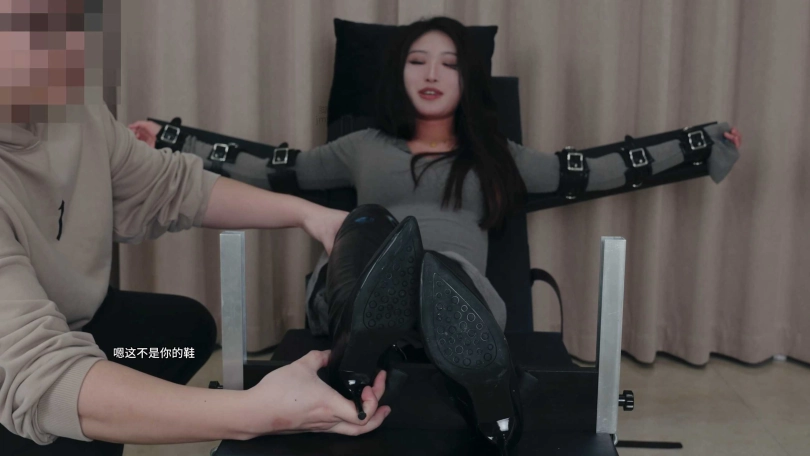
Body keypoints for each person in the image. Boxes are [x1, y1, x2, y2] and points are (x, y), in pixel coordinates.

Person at [130, 16, 742, 454]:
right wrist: (172, 140)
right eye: (417, 60)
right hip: (357, 269)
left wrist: (698, 144)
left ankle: (395, 353)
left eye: (449, 63)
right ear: (398, 74)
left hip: (455, 288)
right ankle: (386, 332)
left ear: (467, 79)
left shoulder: (496, 154)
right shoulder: (363, 146)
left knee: (436, 268)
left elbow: (590, 169)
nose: (431, 73)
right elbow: (271, 168)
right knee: (369, 226)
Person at [0, 3, 390, 456]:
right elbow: (40, 378)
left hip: (80, 319)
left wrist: (312, 216)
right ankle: (100, 418)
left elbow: (170, 184)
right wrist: (254, 412)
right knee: (64, 423)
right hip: (22, 368)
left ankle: (114, 405)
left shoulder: (70, 100)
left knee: (185, 336)